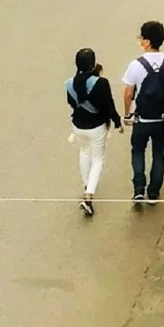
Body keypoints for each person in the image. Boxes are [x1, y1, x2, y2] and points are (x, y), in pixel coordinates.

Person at [122, 21, 164, 205]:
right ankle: (154, 193)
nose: (140, 41)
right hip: (163, 119)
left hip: (142, 119)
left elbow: (128, 93)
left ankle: (139, 189)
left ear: (147, 41)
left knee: (138, 151)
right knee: (159, 154)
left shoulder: (136, 64)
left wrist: (127, 114)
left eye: (141, 38)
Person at [66, 47, 122, 217]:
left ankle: (86, 184)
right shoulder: (100, 83)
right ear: (92, 64)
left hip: (78, 126)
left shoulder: (69, 84)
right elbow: (109, 105)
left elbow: (72, 104)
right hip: (96, 127)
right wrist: (117, 121)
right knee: (98, 159)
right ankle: (89, 196)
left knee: (84, 152)